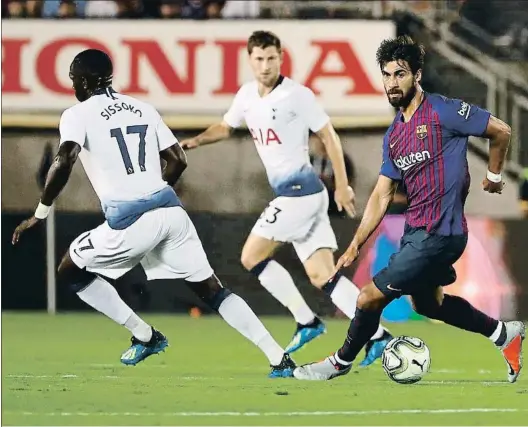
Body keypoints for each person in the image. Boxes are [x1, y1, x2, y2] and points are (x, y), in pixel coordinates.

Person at [11, 48, 296, 378]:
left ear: (85, 81)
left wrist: (40, 213)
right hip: (172, 214)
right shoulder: (143, 108)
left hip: (129, 223)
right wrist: (153, 194)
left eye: (74, 80)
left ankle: (145, 335)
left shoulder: (77, 114)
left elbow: (64, 159)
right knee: (213, 291)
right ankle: (278, 357)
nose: (73, 86)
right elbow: (178, 160)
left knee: (70, 269)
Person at [293, 35, 525, 382]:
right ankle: (504, 335)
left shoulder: (444, 110)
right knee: (429, 305)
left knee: (368, 298)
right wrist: (355, 244)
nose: (392, 82)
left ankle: (339, 363)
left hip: (440, 234)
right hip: (417, 233)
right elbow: (381, 195)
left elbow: (501, 131)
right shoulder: (395, 135)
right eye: (386, 75)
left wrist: (492, 175)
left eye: (399, 74)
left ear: (417, 75)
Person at [180, 30, 392, 366]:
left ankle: (307, 321)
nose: (265, 65)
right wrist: (195, 141)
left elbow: (328, 135)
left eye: (271, 58)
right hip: (301, 196)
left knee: (251, 257)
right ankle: (379, 336)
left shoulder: (297, 95)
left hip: (300, 195)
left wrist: (342, 184)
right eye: (259, 59)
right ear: (250, 60)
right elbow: (225, 126)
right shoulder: (247, 96)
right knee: (323, 276)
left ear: (281, 57)